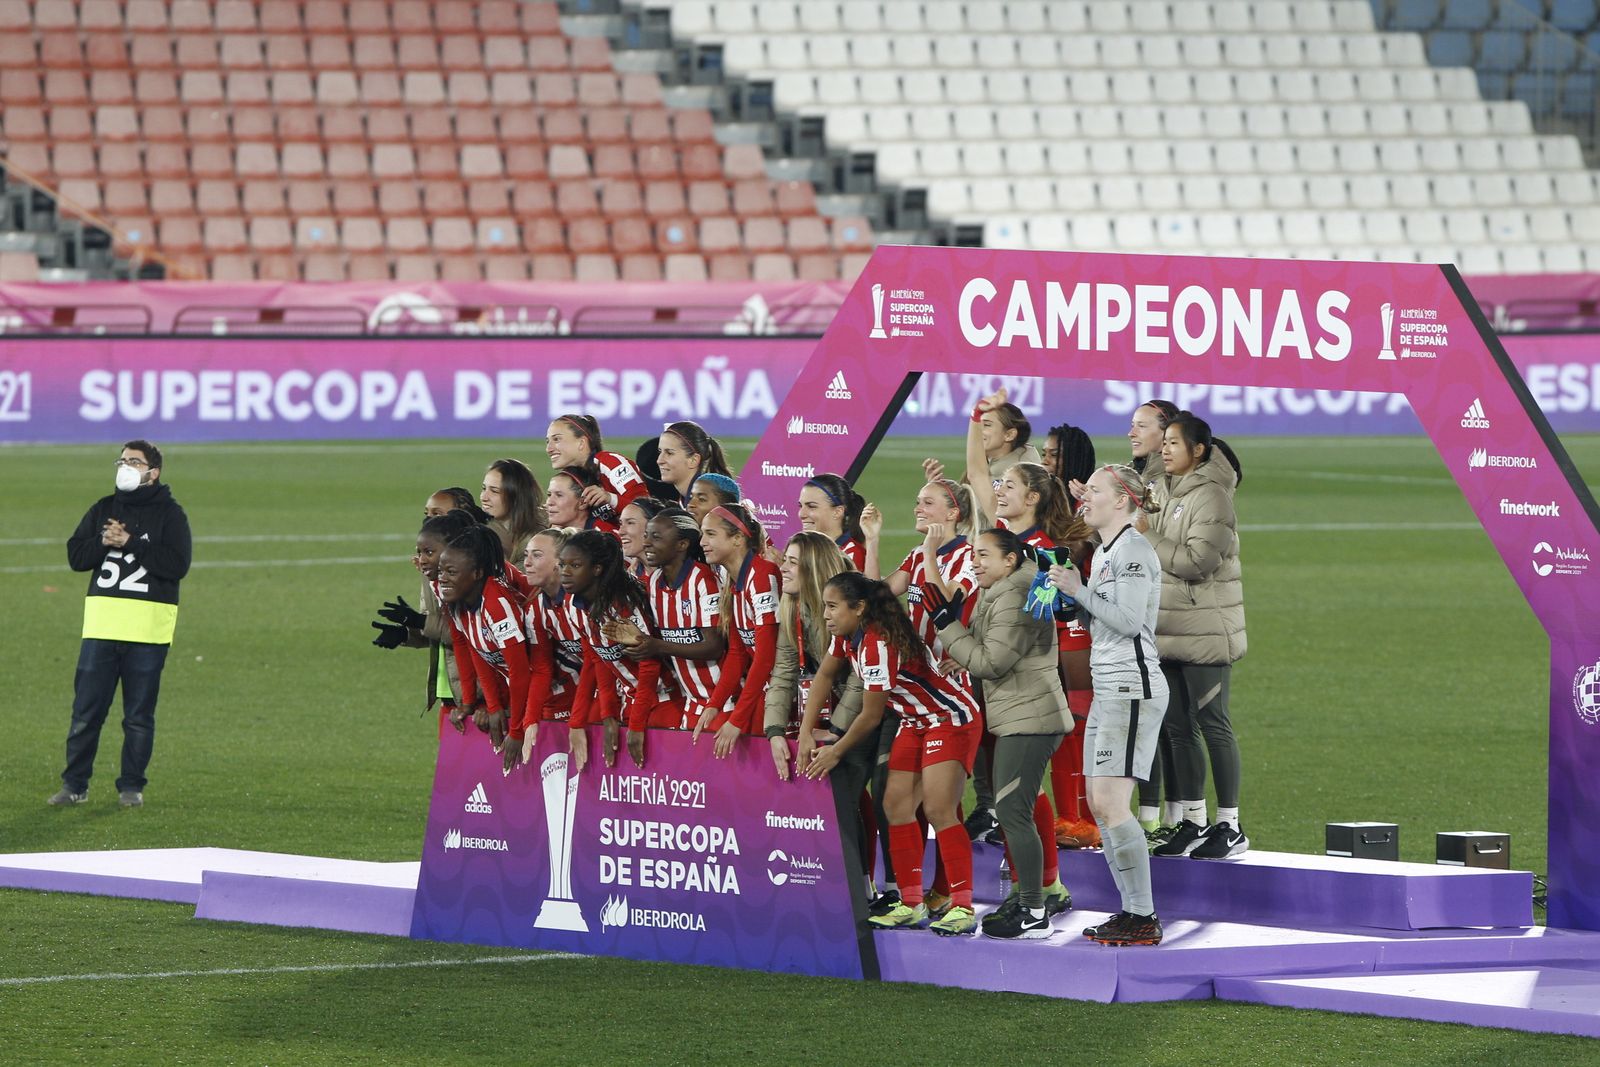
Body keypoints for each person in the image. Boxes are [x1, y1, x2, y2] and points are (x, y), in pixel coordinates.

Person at [807, 573, 982, 936]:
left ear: (859, 608)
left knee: (938, 809)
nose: (826, 614)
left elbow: (871, 715)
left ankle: (963, 907)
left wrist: (835, 751)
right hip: (915, 720)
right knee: (896, 806)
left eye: (833, 606)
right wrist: (808, 730)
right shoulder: (850, 635)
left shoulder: (876, 643)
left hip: (949, 719)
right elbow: (824, 675)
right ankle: (911, 902)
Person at [928, 528, 1073, 939]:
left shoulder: (1013, 594)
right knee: (1015, 810)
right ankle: (1032, 901)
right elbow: (989, 645)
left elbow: (991, 662)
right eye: (974, 554)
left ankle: (1034, 909)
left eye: (984, 555)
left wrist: (945, 625)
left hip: (1030, 719)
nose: (974, 562)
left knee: (1012, 813)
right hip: (1024, 715)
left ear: (1009, 560)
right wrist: (964, 648)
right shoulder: (1012, 585)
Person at [1048, 464, 1170, 946]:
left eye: (1095, 491)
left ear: (1122, 499)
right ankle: (1133, 912)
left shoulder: (1133, 550)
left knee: (1113, 806)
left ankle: (1142, 915)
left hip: (1131, 688)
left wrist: (1080, 591)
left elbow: (1129, 620)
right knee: (1102, 805)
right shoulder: (1107, 550)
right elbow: (1105, 619)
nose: (1085, 498)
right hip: (1110, 687)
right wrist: (1072, 600)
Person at [53, 440, 192, 808]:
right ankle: (74, 786)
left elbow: (177, 565)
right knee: (86, 715)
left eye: (134, 461)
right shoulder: (104, 508)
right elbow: (75, 556)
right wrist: (104, 541)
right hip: (101, 628)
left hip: (147, 631)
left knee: (138, 718)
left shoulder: (170, 515)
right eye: (122, 460)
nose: (125, 466)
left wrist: (130, 542)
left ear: (153, 472)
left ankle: (131, 787)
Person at [1144, 413, 1250, 861]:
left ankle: (1231, 825)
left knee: (1213, 726)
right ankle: (1193, 820)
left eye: (1172, 443)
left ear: (1198, 450)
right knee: (1178, 728)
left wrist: (1147, 536)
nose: (1163, 449)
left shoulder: (1212, 497)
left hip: (1206, 630)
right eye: (1163, 442)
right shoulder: (1167, 491)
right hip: (1169, 628)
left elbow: (1196, 562)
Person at [766, 533, 870, 901]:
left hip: (876, 713)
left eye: (793, 562)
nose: (783, 567)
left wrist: (834, 732)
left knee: (879, 799)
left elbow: (862, 680)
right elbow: (784, 668)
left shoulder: (853, 604)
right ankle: (854, 885)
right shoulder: (792, 605)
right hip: (831, 715)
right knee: (839, 799)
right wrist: (777, 730)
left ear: (813, 567)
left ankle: (875, 888)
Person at [559, 530, 679, 771]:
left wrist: (636, 726)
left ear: (597, 569)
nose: (565, 571)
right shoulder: (572, 605)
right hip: (631, 699)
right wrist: (607, 713)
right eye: (562, 564)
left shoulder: (623, 604)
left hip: (663, 698)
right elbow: (596, 659)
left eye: (575, 565)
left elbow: (650, 665)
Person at [611, 507, 728, 730]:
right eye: (646, 536)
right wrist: (639, 641)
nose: (647, 543)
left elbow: (714, 647)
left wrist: (656, 646)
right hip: (691, 703)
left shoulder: (703, 580)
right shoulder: (654, 581)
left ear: (681, 545)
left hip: (724, 703)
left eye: (656, 537)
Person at [437, 525, 531, 759]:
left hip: (550, 691)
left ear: (477, 573)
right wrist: (493, 705)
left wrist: (517, 730)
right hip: (519, 695)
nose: (442, 579)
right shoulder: (457, 602)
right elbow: (477, 651)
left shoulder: (496, 605)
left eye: (451, 572)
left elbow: (521, 672)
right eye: (441, 571)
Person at [697, 503, 781, 757]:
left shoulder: (762, 577)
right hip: (766, 689)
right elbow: (737, 652)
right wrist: (715, 704)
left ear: (736, 539)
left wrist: (737, 719)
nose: (702, 542)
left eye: (711, 534)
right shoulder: (734, 582)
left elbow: (766, 657)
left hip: (784, 692)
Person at [516, 527, 585, 768]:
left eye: (536, 555)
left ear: (559, 563)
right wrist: (530, 721)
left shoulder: (583, 602)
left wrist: (577, 721)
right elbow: (542, 668)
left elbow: (600, 661)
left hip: (620, 686)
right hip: (595, 685)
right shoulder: (535, 609)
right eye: (526, 555)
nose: (527, 563)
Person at [545, 414, 648, 523]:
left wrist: (610, 499)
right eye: (548, 441)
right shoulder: (569, 478)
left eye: (556, 439)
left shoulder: (611, 463)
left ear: (581, 443)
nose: (548, 449)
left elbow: (647, 510)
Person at [796, 474, 868, 569]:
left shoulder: (851, 554)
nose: (801, 514)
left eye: (811, 506)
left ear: (837, 512)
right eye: (800, 506)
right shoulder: (801, 549)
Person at [480, 459, 545, 561]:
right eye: (484, 488)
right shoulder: (480, 531)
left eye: (494, 491)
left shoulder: (539, 541)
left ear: (516, 496)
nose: (484, 497)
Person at [655, 421, 733, 505]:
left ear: (693, 460)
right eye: (660, 452)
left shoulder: (706, 506)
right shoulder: (691, 499)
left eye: (669, 453)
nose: (659, 460)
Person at [546, 466, 618, 534]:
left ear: (583, 502)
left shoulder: (604, 537)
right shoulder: (552, 533)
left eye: (559, 495)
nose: (549, 502)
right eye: (549, 495)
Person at [618, 496, 670, 577]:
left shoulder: (685, 573)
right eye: (621, 523)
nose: (620, 532)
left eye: (630, 523)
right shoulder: (631, 578)